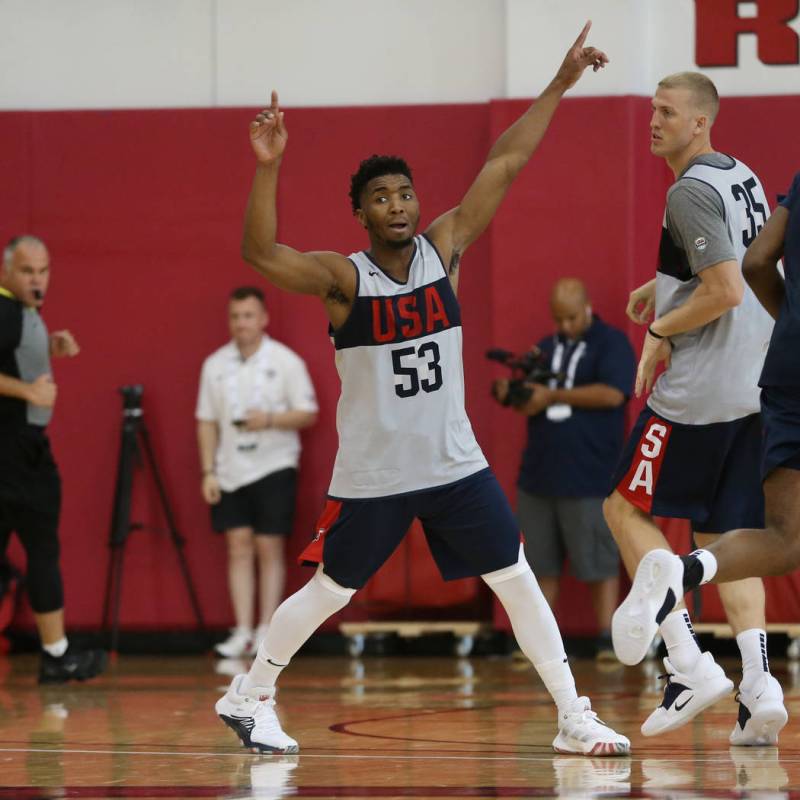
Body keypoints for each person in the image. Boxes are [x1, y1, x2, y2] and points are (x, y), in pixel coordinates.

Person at [214, 23, 631, 757]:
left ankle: (572, 713)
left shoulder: (445, 249)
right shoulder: (344, 280)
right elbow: (258, 252)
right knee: (331, 593)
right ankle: (248, 695)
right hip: (376, 476)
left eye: (405, 193)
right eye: (381, 197)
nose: (399, 205)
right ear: (362, 213)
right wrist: (268, 166)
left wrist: (561, 82)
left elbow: (506, 161)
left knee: (515, 575)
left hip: (453, 464)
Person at [602, 73, 787, 744]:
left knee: (622, 508)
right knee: (723, 537)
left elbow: (729, 288)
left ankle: (687, 665)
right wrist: (665, 285)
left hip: (700, 394)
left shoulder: (685, 192)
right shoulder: (741, 173)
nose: (653, 120)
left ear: (699, 123)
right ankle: (760, 686)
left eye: (666, 111)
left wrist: (660, 331)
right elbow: (749, 263)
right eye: (652, 108)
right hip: (756, 386)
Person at [492, 278, 634, 659]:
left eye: (571, 317)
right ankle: (541, 645)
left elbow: (614, 393)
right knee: (539, 562)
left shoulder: (611, 343)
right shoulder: (547, 347)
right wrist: (516, 396)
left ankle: (607, 639)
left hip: (589, 472)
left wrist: (553, 395)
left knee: (597, 559)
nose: (565, 326)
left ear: (587, 307)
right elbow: (531, 401)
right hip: (540, 473)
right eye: (558, 319)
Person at [0, 235, 106, 683]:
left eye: (43, 271)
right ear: (6, 271)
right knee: (42, 549)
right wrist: (27, 391)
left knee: (38, 550)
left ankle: (57, 653)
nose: (37, 279)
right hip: (13, 449)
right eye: (27, 271)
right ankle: (56, 655)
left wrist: (51, 348)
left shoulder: (23, 312)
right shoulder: (5, 310)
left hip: (22, 447)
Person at [197, 286, 318, 658]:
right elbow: (206, 421)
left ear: (263, 319)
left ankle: (267, 627)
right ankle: (242, 629)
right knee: (237, 546)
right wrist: (208, 471)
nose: (241, 324)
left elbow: (308, 413)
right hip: (232, 468)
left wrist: (269, 419)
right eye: (235, 316)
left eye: (248, 316)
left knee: (268, 545)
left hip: (274, 464)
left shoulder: (285, 361)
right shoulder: (214, 364)